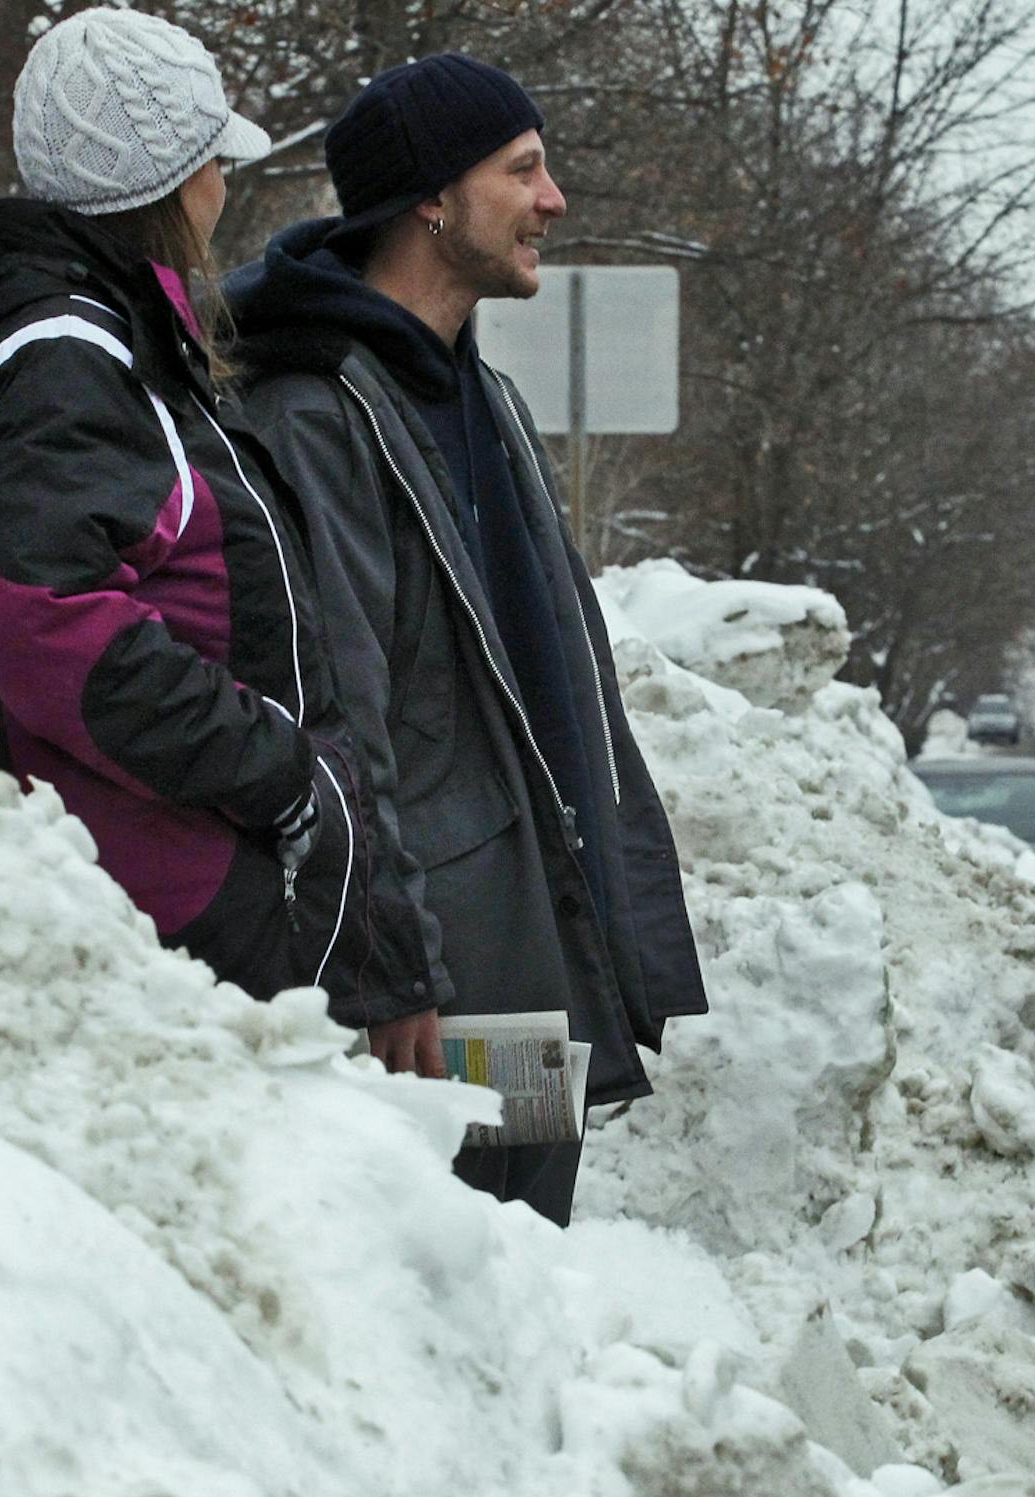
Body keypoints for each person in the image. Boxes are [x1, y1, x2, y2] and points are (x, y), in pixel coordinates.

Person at [0, 8, 437, 1054]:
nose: (223, 188)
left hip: (184, 901)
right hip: (167, 911)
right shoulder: (70, 357)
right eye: (214, 162)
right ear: (176, 183)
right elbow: (35, 614)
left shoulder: (110, 340)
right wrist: (275, 773)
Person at [228, 55, 706, 1227]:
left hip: (531, 923)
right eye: (523, 170)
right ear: (432, 200)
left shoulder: (477, 395)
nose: (554, 200)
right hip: (443, 959)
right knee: (465, 1247)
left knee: (535, 1228)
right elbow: (343, 708)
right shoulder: (319, 415)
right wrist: (396, 960)